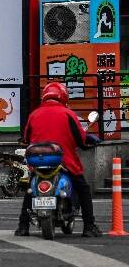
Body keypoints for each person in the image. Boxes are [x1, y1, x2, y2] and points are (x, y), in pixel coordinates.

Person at [16, 82, 101, 237]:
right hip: (64, 161)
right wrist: (88, 140)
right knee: (83, 189)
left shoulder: (34, 114)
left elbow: (26, 138)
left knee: (30, 190)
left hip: (38, 162)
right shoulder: (68, 114)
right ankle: (89, 226)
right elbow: (81, 140)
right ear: (63, 97)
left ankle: (23, 227)